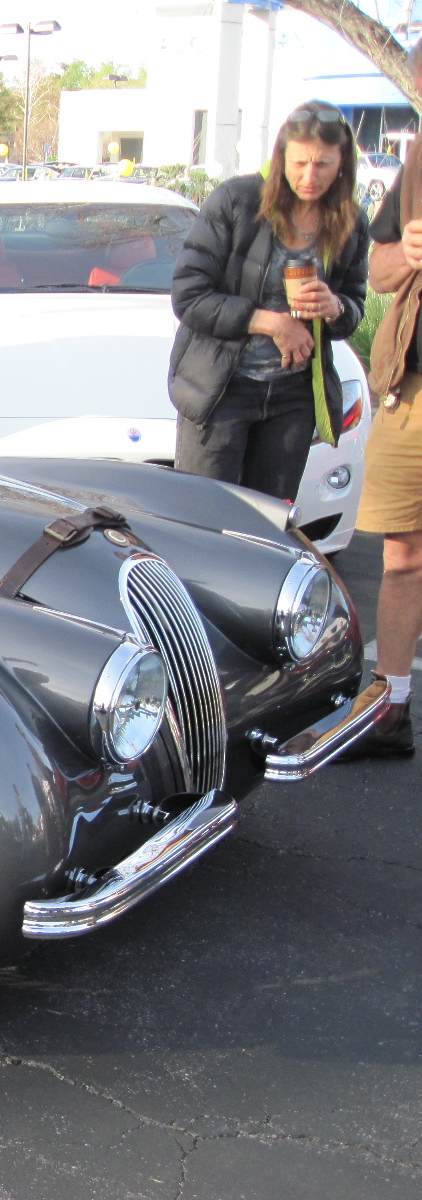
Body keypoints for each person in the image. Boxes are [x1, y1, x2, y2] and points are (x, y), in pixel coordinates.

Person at [168, 101, 369, 505]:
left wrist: (334, 307)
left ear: (342, 163)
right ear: (280, 158)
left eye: (323, 165)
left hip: (291, 396)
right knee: (204, 521)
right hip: (222, 390)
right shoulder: (237, 200)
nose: (309, 176)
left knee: (269, 527)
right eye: (299, 163)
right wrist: (270, 323)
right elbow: (189, 295)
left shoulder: (350, 221)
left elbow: (354, 307)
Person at [346, 51, 422, 759]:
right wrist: (410, 251)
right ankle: (390, 705)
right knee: (402, 554)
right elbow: (379, 267)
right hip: (412, 386)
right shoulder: (420, 162)